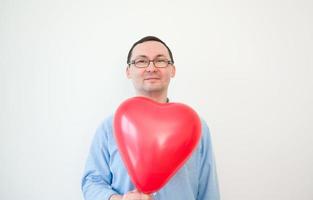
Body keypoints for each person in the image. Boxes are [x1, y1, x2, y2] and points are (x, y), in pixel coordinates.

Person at [81, 36, 220, 200]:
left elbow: (208, 188)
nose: (151, 68)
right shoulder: (109, 127)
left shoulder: (196, 126)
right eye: (141, 61)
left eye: (160, 61)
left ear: (173, 70)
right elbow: (91, 182)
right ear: (128, 71)